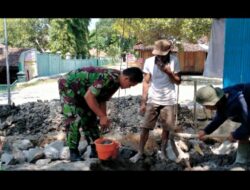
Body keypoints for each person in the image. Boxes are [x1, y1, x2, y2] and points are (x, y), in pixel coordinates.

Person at [58, 66, 143, 161]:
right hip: (68, 85)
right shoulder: (108, 78)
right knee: (73, 119)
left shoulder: (116, 82)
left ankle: (95, 149)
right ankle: (73, 152)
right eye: (130, 85)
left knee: (90, 118)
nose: (129, 88)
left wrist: (104, 118)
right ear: (126, 78)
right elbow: (89, 97)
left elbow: (102, 99)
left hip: (84, 90)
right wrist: (102, 116)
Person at [130, 39, 181, 163]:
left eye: (162, 55)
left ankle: (163, 152)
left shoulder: (174, 60)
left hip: (169, 100)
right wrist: (143, 102)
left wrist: (168, 72)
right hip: (153, 99)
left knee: (166, 128)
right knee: (145, 127)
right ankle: (140, 152)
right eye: (157, 54)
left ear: (169, 52)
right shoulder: (149, 62)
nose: (159, 56)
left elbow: (178, 81)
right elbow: (146, 82)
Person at [196, 84, 250, 164]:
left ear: (213, 103)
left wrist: (235, 135)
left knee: (243, 131)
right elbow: (220, 116)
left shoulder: (238, 101)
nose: (206, 108)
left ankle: (242, 162)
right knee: (243, 132)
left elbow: (249, 124)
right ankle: (243, 159)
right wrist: (206, 131)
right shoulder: (221, 97)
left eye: (206, 106)